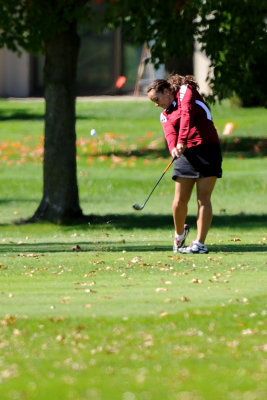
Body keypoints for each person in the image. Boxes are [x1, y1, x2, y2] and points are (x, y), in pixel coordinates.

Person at [147, 74, 222, 254]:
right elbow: (170, 135)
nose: (157, 104)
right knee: (179, 201)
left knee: (203, 198)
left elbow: (187, 114)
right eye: (153, 102)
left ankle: (199, 244)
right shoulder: (164, 115)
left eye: (157, 99)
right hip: (186, 156)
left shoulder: (185, 91)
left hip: (207, 149)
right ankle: (180, 234)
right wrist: (174, 147)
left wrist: (182, 140)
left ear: (166, 91)